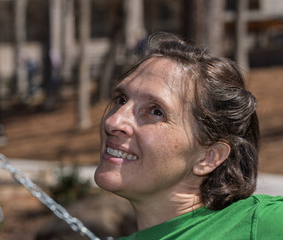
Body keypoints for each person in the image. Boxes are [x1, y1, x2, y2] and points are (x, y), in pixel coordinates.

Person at [94, 32, 283, 239]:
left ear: (209, 156)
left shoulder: (262, 224)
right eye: (121, 100)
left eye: (156, 111)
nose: (114, 122)